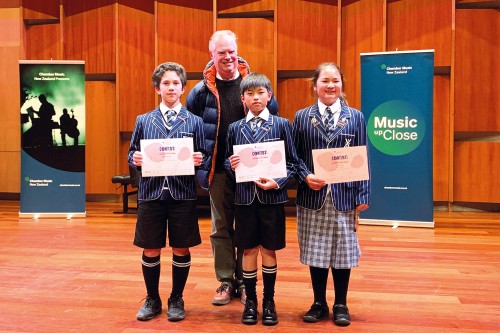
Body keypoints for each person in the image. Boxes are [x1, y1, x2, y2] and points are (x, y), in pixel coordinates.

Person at [186, 30, 278, 306]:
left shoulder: (255, 85)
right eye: (221, 52)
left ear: (237, 51)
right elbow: (190, 129)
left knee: (248, 226)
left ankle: (245, 279)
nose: (227, 57)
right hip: (218, 172)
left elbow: (273, 125)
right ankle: (227, 280)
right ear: (211, 55)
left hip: (253, 171)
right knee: (221, 227)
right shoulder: (199, 92)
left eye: (231, 51)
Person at [292, 62, 370, 327]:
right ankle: (318, 302)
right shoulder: (302, 117)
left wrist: (363, 192)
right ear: (315, 86)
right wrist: (304, 176)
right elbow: (295, 157)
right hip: (312, 196)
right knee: (316, 251)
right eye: (325, 81)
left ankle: (341, 304)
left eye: (335, 81)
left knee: (342, 252)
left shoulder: (356, 117)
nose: (330, 86)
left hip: (344, 195)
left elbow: (362, 155)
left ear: (342, 85)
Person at [128, 62, 206, 322]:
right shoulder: (143, 120)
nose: (171, 88)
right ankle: (152, 298)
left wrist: (199, 158)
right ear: (157, 88)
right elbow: (131, 154)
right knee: (150, 248)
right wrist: (135, 158)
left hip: (182, 193)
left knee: (181, 248)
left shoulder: (194, 122)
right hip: (151, 193)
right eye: (166, 83)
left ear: (183, 88)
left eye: (176, 83)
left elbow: (204, 155)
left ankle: (176, 297)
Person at [225, 73, 298, 325]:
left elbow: (293, 163)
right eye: (250, 94)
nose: (255, 97)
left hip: (272, 199)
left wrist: (278, 182)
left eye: (260, 92)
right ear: (243, 98)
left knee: (269, 248)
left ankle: (269, 300)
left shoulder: (282, 125)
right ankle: (251, 302)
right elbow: (227, 160)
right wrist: (231, 164)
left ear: (269, 95)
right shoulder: (235, 129)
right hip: (244, 199)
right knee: (247, 249)